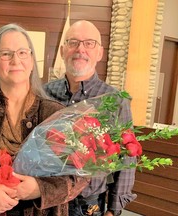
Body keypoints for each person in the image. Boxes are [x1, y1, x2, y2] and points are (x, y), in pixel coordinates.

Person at [0, 23, 89, 215]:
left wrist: (39, 188)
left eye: (23, 52)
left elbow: (79, 176)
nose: (15, 60)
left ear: (31, 62)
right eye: (6, 53)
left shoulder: (55, 113)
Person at [44, 20, 137, 216]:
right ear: (62, 51)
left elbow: (127, 159)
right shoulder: (45, 93)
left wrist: (114, 209)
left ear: (100, 53)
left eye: (89, 43)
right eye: (73, 42)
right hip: (46, 198)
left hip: (88, 205)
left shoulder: (115, 100)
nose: (80, 49)